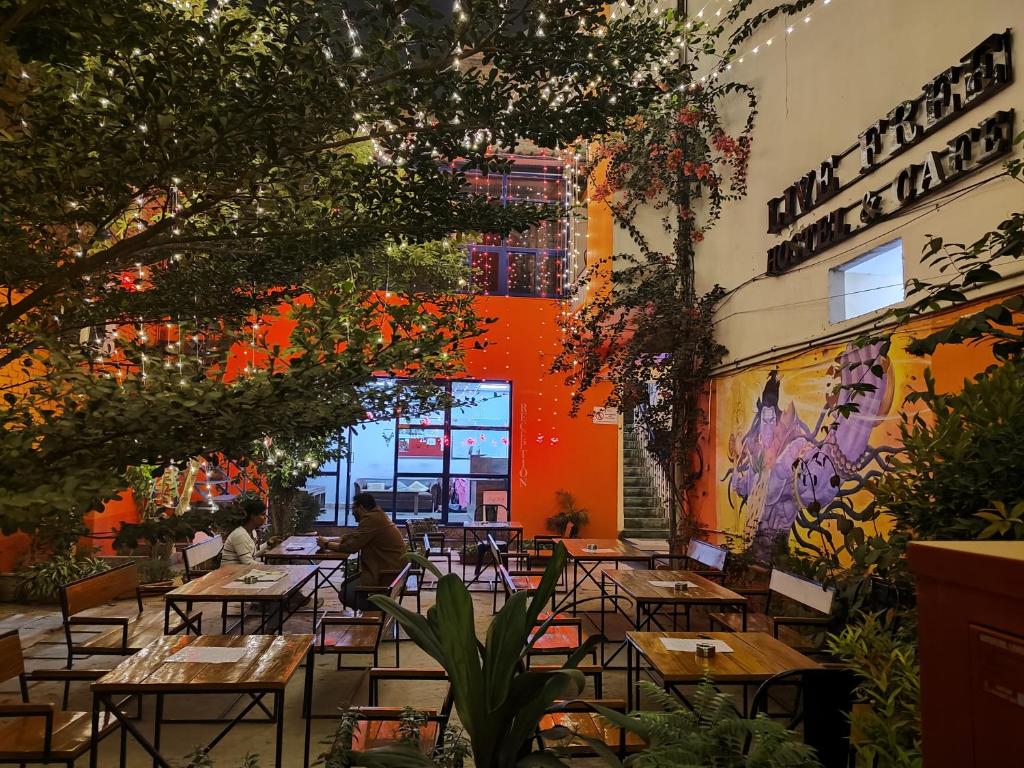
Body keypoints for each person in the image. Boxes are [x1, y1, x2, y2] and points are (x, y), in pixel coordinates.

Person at [317, 492, 407, 610]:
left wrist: (327, 544)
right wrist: (332, 540)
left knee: (346, 594)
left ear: (361, 507)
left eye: (354, 508)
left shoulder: (372, 519)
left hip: (386, 576)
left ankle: (378, 611)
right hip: (391, 571)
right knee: (346, 585)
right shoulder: (377, 515)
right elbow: (355, 536)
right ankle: (377, 610)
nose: (352, 511)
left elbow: (350, 547)